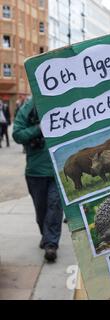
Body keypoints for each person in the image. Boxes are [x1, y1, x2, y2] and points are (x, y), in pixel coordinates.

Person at [12, 97, 64, 262]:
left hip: (59, 170)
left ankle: (51, 244)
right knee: (41, 211)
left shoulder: (64, 103)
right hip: (36, 172)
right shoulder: (29, 107)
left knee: (55, 206)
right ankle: (46, 236)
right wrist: (38, 128)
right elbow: (17, 134)